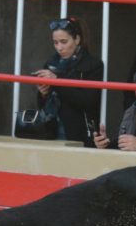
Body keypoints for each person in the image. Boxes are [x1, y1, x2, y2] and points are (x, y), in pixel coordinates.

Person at [33, 16, 104, 146]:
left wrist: (57, 82)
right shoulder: (51, 64)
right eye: (55, 42)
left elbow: (88, 101)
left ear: (77, 39)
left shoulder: (93, 64)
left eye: (64, 42)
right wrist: (43, 94)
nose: (59, 47)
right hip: (50, 129)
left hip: (79, 131)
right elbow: (42, 106)